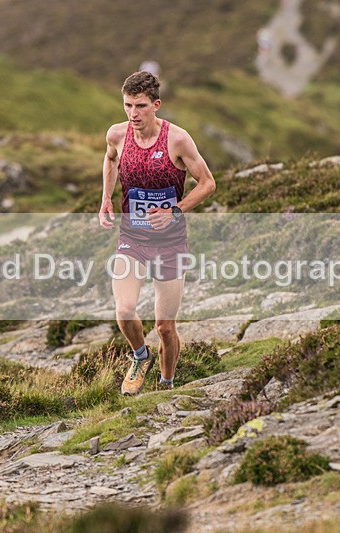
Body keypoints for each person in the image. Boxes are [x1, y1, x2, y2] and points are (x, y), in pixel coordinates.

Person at [98, 71, 216, 395]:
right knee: (124, 312)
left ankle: (166, 386)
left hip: (171, 242)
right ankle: (140, 356)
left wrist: (174, 210)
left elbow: (208, 183)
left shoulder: (177, 139)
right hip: (133, 239)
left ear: (156, 105)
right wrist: (106, 198)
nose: (133, 114)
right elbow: (109, 160)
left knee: (165, 326)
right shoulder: (117, 135)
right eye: (127, 105)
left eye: (140, 106)